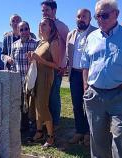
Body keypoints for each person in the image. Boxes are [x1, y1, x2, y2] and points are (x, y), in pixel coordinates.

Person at [81, 0, 122, 157]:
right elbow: (85, 65)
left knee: (120, 136)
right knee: (98, 138)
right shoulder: (91, 37)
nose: (100, 20)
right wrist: (86, 88)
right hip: (95, 95)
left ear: (116, 14)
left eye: (104, 15)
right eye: (97, 16)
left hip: (121, 95)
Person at [66, 8, 97, 146]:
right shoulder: (71, 34)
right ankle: (79, 130)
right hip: (74, 74)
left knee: (90, 105)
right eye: (79, 16)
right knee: (77, 105)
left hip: (90, 75)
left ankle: (89, 133)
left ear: (90, 19)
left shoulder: (96, 32)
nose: (81, 18)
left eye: (84, 16)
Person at [28, 17, 60, 148]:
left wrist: (39, 59)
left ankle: (51, 136)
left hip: (46, 77)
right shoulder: (41, 42)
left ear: (51, 27)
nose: (41, 27)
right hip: (37, 76)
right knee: (35, 103)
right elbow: (38, 59)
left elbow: (56, 65)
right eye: (40, 24)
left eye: (44, 24)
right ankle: (39, 131)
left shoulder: (54, 42)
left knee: (42, 105)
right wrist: (33, 58)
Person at [41, 0, 69, 129]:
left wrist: (65, 65)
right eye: (43, 10)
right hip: (45, 67)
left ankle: (55, 123)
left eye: (46, 10)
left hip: (57, 67)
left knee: (54, 97)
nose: (44, 13)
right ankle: (47, 121)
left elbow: (69, 46)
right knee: (45, 96)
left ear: (54, 10)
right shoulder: (43, 25)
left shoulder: (61, 26)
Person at [9, 21, 38, 134]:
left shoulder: (36, 43)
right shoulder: (14, 45)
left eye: (26, 29)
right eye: (21, 30)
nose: (24, 32)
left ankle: (34, 128)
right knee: (21, 105)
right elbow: (13, 62)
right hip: (18, 80)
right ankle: (23, 127)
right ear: (18, 31)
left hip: (32, 80)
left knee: (32, 105)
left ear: (29, 29)